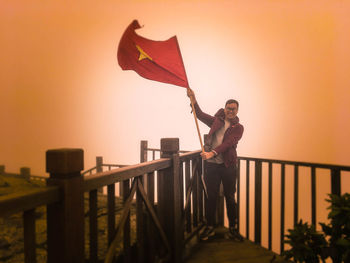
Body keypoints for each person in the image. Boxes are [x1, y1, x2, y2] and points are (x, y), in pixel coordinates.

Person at [187, 88, 244, 241]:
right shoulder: (216, 121)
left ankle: (233, 228)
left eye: (233, 109)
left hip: (228, 166)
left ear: (237, 111)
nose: (230, 111)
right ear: (224, 109)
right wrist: (193, 99)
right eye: (228, 108)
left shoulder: (238, 128)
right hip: (212, 166)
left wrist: (212, 153)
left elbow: (228, 143)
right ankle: (210, 227)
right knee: (211, 197)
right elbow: (199, 114)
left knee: (230, 197)